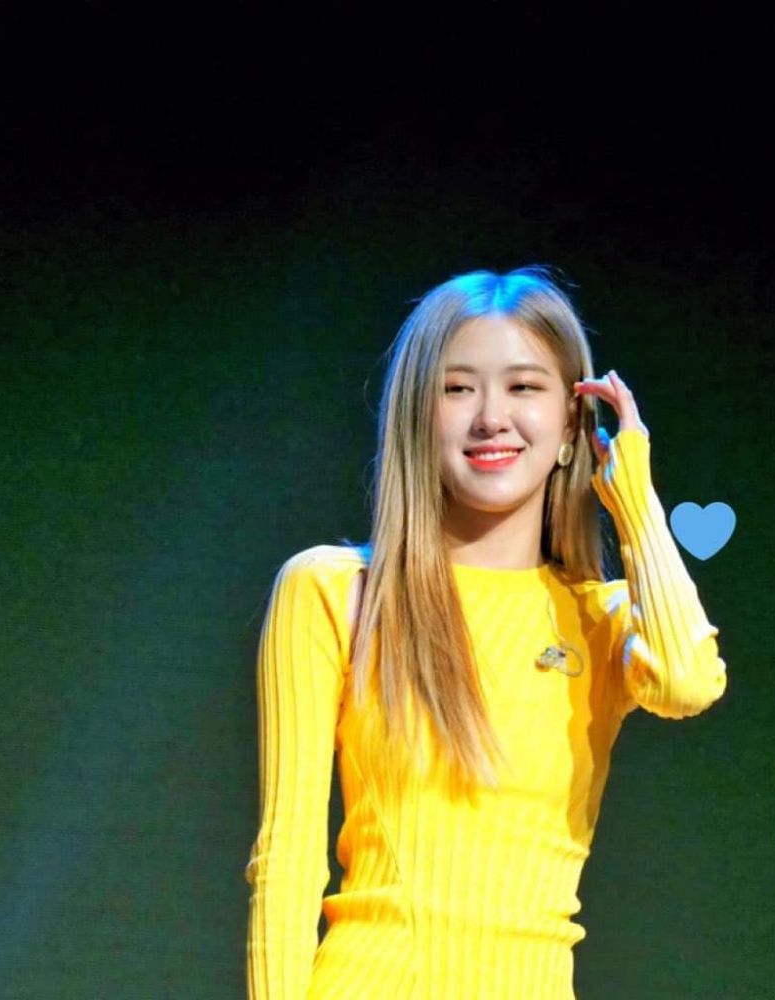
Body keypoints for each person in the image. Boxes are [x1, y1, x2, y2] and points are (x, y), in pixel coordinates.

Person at [243, 265, 728, 999]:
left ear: (572, 424)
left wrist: (633, 497)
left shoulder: (600, 621)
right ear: (417, 417)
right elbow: (285, 861)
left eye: (524, 387)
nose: (491, 417)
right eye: (457, 388)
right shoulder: (336, 591)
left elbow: (687, 683)